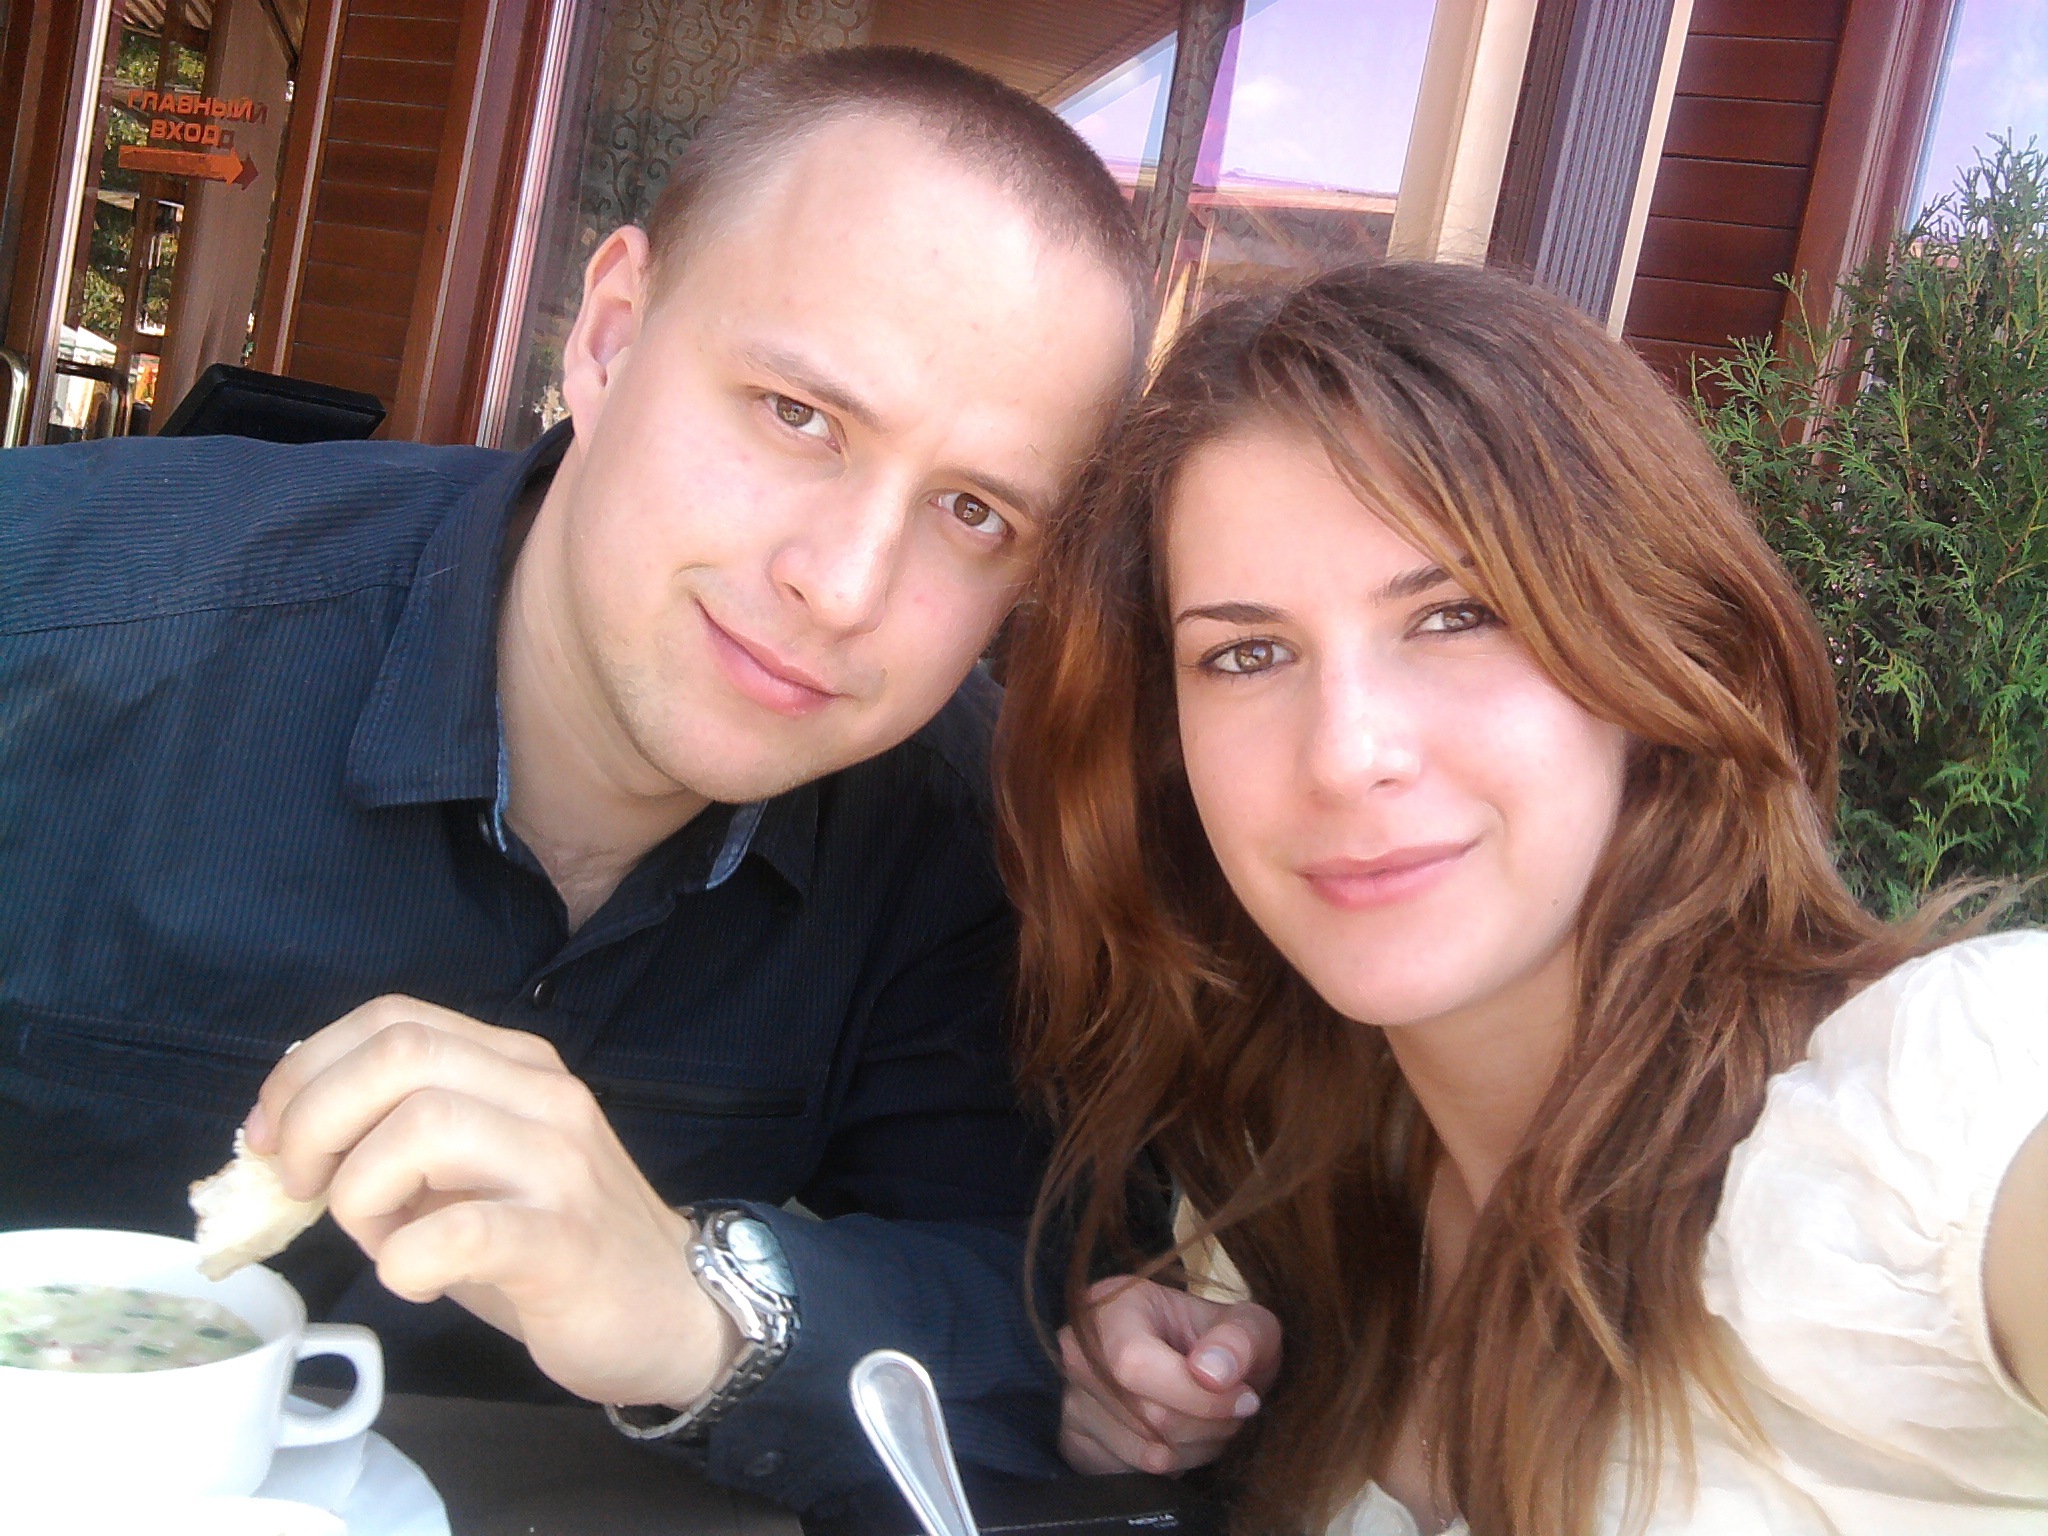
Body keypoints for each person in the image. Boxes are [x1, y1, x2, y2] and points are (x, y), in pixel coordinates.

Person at [0, 47, 1142, 1509]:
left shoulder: (971, 847)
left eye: (974, 511)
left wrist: (704, 1302)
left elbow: (1047, 1338)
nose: (847, 585)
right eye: (797, 414)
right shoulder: (51, 626)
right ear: (607, 339)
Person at [994, 262, 2048, 1534]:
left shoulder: (1931, 1121)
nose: (1344, 753)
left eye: (1454, 617)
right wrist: (1145, 1414)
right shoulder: (1272, 1209)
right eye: (1246, 653)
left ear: (1654, 640)